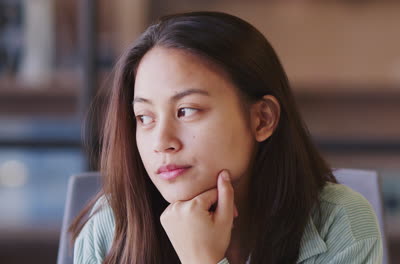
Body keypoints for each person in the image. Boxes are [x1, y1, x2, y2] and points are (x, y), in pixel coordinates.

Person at [70, 11, 382, 264]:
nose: (161, 141)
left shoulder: (340, 225)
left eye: (187, 110)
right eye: (144, 118)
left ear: (262, 119)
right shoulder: (110, 230)